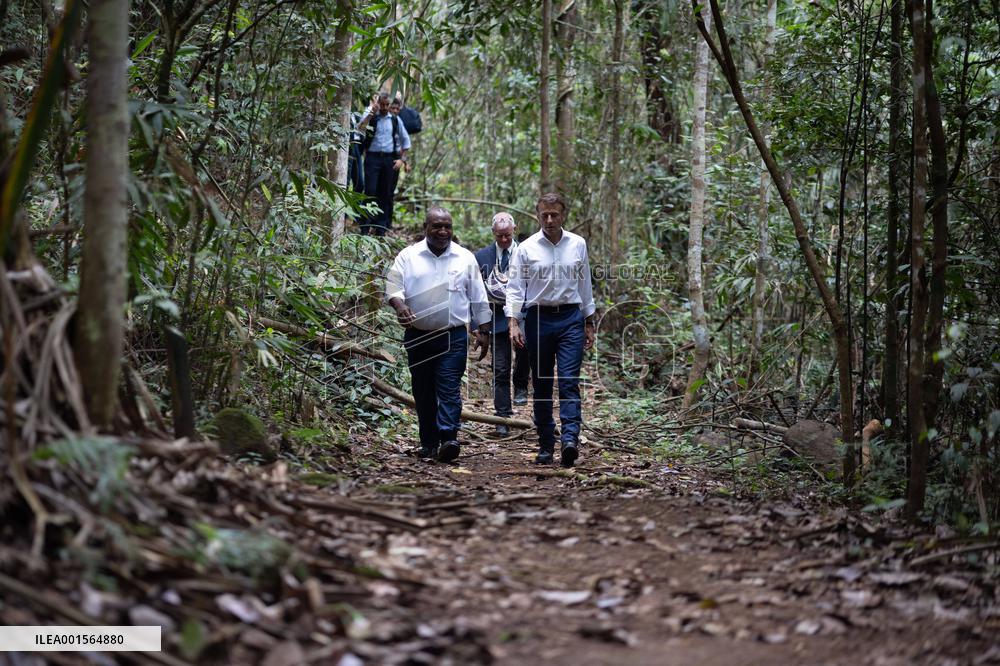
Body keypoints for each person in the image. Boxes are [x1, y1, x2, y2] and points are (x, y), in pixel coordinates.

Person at [385, 206, 491, 463]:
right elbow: (393, 287)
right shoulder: (408, 256)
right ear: (426, 228)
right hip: (418, 336)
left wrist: (484, 329)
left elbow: (478, 296)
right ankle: (429, 443)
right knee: (422, 392)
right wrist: (400, 305)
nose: (443, 231)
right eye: (437, 226)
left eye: (447, 226)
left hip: (452, 335)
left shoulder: (465, 258)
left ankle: (449, 438)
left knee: (449, 388)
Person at [506, 193, 596, 467]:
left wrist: (589, 321)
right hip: (538, 318)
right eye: (544, 215)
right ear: (538, 216)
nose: (549, 220)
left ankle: (570, 439)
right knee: (542, 383)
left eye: (554, 214)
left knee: (569, 380)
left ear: (563, 215)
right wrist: (513, 322)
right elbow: (515, 287)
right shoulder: (526, 248)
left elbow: (585, 284)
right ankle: (546, 444)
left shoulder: (577, 244)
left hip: (570, 318)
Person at [475, 213, 532, 437]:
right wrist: (481, 327)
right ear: (493, 233)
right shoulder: (481, 257)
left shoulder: (527, 253)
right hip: (496, 316)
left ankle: (520, 382)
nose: (505, 240)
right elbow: (476, 293)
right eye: (500, 236)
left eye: (508, 235)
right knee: (499, 369)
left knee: (525, 348)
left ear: (514, 230)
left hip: (524, 314)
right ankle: (502, 418)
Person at [357, 92, 411, 236]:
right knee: (369, 192)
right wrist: (371, 113)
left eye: (387, 105)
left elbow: (406, 141)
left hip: (389, 160)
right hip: (372, 158)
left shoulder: (395, 120)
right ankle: (365, 227)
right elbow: (360, 128)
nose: (385, 107)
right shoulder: (372, 117)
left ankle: (381, 229)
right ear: (378, 103)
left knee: (385, 194)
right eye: (383, 104)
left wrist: (402, 160)